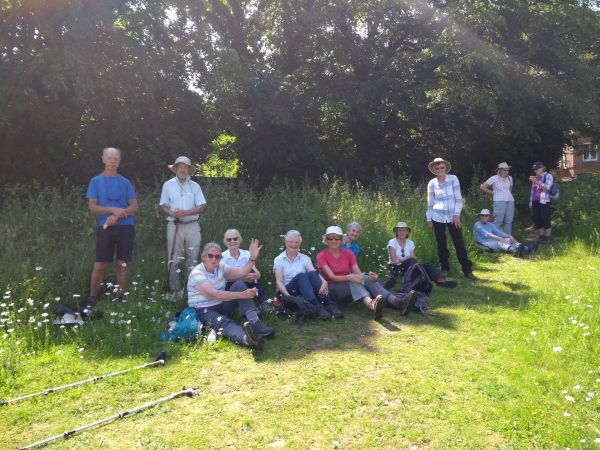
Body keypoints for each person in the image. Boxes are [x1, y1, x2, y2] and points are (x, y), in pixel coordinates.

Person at [83, 147, 138, 318]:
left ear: (119, 161)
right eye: (109, 158)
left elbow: (134, 206)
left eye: (115, 158)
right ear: (103, 159)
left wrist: (120, 214)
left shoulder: (125, 182)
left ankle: (120, 296)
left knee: (122, 264)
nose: (112, 161)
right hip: (105, 228)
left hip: (125, 227)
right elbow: (92, 208)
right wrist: (111, 210)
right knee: (100, 264)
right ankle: (92, 297)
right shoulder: (95, 182)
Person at [187, 241, 274, 349]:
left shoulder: (221, 267)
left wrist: (252, 258)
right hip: (203, 310)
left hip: (221, 305)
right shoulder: (197, 273)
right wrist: (241, 295)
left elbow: (242, 272)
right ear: (204, 257)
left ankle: (255, 322)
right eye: (210, 255)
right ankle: (248, 339)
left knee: (239, 284)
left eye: (217, 256)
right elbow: (214, 294)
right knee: (222, 322)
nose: (214, 259)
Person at [316, 226, 416, 318]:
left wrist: (370, 278)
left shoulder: (348, 254)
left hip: (348, 283)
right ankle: (372, 304)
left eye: (336, 238)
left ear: (342, 239)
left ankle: (397, 302)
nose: (334, 241)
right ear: (326, 240)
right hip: (332, 288)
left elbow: (358, 274)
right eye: (330, 238)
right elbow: (331, 276)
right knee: (353, 280)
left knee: (367, 278)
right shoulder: (321, 256)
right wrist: (349, 277)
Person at [159, 156, 207, 295]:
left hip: (192, 225)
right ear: (176, 169)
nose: (182, 170)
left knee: (193, 257)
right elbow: (163, 205)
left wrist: (185, 212)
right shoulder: (168, 185)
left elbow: (202, 206)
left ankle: (191, 289)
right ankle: (175, 290)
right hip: (174, 225)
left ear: (188, 170)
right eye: (180, 167)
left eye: (185, 167)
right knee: (174, 258)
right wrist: (172, 213)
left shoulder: (195, 186)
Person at [273, 230, 343, 320]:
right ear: (286, 242)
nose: (294, 244)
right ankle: (317, 307)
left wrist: (324, 281)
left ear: (300, 244)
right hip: (288, 292)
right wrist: (288, 296)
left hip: (304, 290)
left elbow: (313, 273)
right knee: (301, 276)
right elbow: (279, 282)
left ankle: (329, 304)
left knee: (311, 274)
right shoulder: (279, 260)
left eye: (296, 242)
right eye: (291, 242)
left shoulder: (305, 258)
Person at [426, 157, 475, 280]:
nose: (439, 169)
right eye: (436, 168)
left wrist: (457, 215)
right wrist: (429, 219)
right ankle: (444, 268)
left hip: (453, 217)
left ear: (445, 168)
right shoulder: (432, 183)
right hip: (437, 217)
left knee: (459, 243)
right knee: (441, 244)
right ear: (434, 169)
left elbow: (458, 199)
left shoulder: (453, 179)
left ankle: (467, 270)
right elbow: (430, 203)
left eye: (441, 167)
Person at [384, 221, 458, 289]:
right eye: (399, 230)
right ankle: (422, 282)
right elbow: (394, 260)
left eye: (404, 230)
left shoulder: (410, 243)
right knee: (412, 261)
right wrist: (409, 259)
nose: (401, 232)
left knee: (429, 265)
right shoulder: (392, 242)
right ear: (396, 232)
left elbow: (413, 256)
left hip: (410, 265)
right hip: (396, 267)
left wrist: (411, 259)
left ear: (407, 232)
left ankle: (440, 281)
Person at [221, 229, 268, 308]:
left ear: (240, 240)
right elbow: (224, 278)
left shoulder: (246, 253)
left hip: (249, 282)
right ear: (225, 242)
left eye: (235, 238)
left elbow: (257, 274)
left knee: (252, 272)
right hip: (231, 286)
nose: (232, 241)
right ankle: (254, 306)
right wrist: (243, 278)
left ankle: (263, 302)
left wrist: (254, 275)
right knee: (240, 282)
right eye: (229, 239)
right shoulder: (222, 256)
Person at [480, 162, 515, 234]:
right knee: (498, 220)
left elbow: (510, 189)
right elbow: (483, 187)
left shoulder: (510, 178)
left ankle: (507, 239)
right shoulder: (494, 178)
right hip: (499, 201)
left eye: (507, 170)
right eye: (504, 170)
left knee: (509, 220)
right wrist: (494, 193)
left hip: (510, 200)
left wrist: (507, 194)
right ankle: (489, 236)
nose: (506, 172)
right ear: (500, 170)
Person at [528, 161, 553, 243]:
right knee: (537, 219)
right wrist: (531, 203)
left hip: (544, 201)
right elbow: (533, 191)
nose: (535, 171)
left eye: (536, 169)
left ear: (542, 168)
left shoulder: (548, 176)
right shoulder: (535, 177)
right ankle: (541, 235)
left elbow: (548, 188)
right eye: (534, 169)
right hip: (535, 200)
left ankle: (548, 236)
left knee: (545, 218)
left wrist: (536, 182)